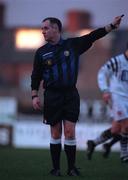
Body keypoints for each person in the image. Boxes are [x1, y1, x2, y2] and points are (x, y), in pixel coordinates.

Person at [31, 16, 123, 176]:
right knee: (55, 133)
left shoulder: (72, 45)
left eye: (46, 28)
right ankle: (56, 169)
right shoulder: (41, 52)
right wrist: (34, 95)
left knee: (70, 132)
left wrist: (111, 26)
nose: (43, 31)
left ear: (56, 29)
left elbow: (93, 36)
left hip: (70, 95)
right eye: (42, 29)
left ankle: (71, 168)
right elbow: (36, 75)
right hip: (52, 95)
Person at [95, 42, 128, 163]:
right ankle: (124, 154)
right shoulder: (117, 61)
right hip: (117, 97)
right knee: (126, 125)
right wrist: (105, 90)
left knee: (116, 130)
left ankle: (94, 143)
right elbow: (102, 73)